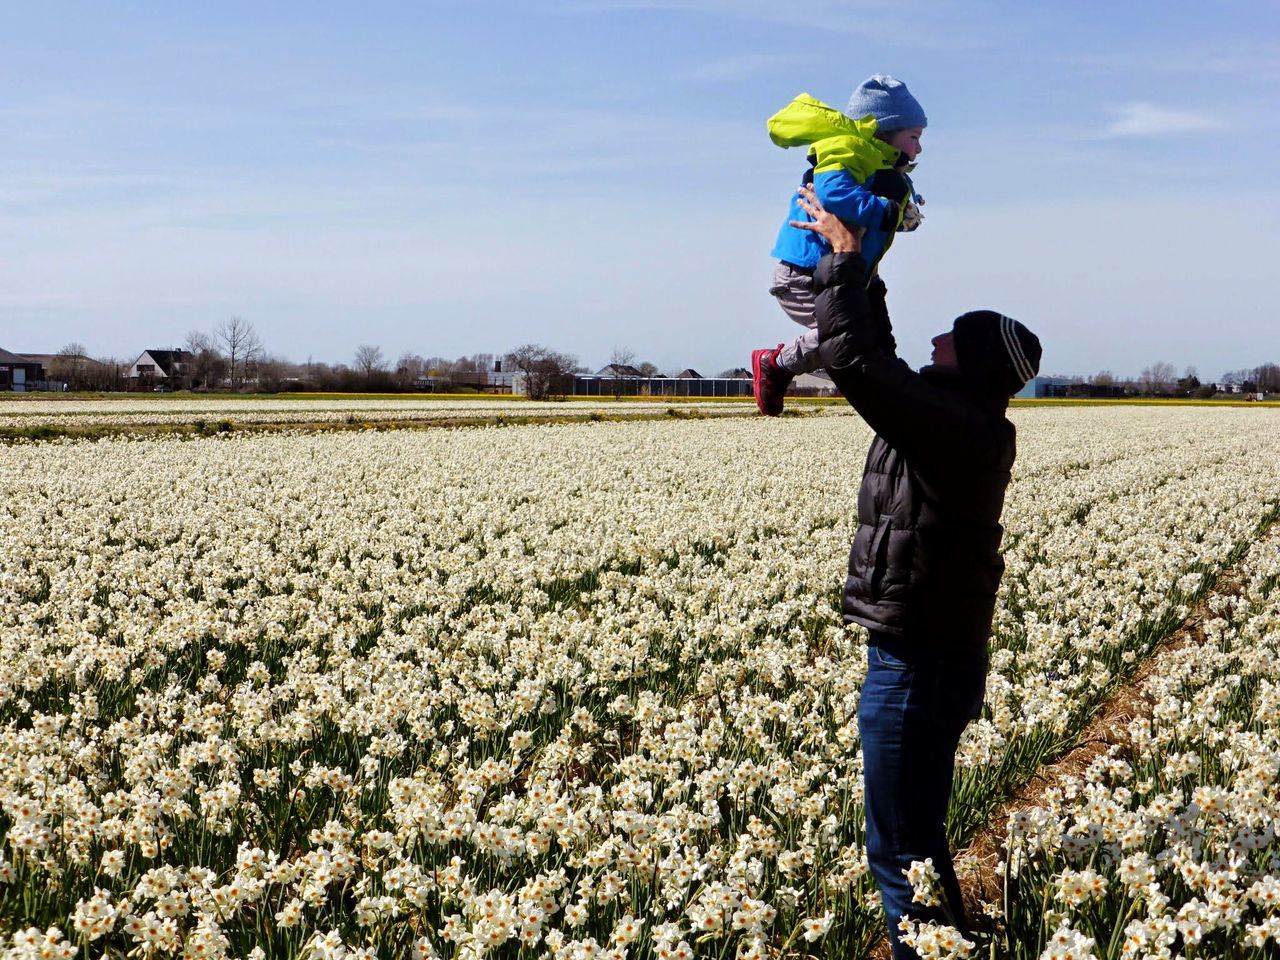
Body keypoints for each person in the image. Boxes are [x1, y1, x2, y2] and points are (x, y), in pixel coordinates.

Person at [788, 183, 1042, 958]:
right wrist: (866, 267)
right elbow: (886, 356)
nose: (939, 339)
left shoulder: (953, 429)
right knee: (915, 839)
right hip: (931, 659)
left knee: (899, 854)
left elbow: (861, 363)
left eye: (953, 339)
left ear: (972, 365)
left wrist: (842, 263)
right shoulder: (963, 420)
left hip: (915, 669)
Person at [753, 75, 927, 416]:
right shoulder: (847, 148)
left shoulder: (877, 163)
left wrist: (904, 208)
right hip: (806, 274)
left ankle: (899, 401)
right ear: (884, 131)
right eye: (914, 137)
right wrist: (889, 212)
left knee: (876, 345)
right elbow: (834, 193)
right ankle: (775, 364)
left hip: (851, 274)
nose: (919, 147)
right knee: (845, 339)